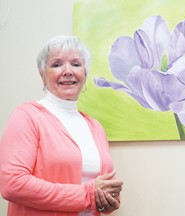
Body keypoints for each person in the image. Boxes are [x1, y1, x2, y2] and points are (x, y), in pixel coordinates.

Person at [0, 35, 123, 216]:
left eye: (76, 64)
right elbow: (12, 184)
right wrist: (86, 194)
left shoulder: (95, 127)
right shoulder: (27, 116)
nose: (68, 71)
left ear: (85, 73)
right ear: (43, 75)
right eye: (56, 64)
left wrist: (107, 202)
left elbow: (101, 190)